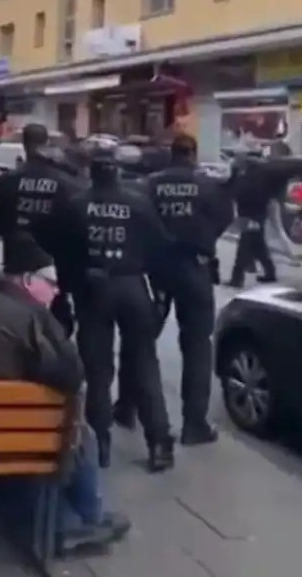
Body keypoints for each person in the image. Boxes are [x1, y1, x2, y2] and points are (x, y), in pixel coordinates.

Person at [0, 240, 130, 554]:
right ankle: (80, 521)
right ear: (27, 280)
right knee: (76, 432)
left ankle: (53, 515)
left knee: (46, 423)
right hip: (4, 431)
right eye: (51, 283)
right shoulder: (30, 316)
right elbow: (71, 375)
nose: (57, 291)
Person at [56, 143, 175, 472]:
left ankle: (100, 446)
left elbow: (64, 256)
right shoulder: (138, 204)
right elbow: (160, 249)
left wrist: (68, 291)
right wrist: (159, 294)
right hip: (133, 287)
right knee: (144, 363)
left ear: (91, 173)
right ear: (118, 172)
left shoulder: (76, 205)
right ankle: (159, 444)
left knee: (97, 370)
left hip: (93, 290)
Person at [146, 135, 235, 445]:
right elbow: (225, 217)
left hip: (157, 268)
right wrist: (204, 239)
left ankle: (128, 406)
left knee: (142, 339)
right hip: (195, 268)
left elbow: (138, 218)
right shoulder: (208, 186)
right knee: (197, 346)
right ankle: (194, 425)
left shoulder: (151, 184)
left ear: (171, 154)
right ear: (193, 155)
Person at [0, 123, 85, 335]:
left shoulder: (6, 182)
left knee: (12, 322)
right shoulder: (68, 183)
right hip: (54, 264)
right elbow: (81, 225)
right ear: (46, 143)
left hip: (17, 261)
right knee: (58, 322)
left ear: (24, 145)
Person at [227, 150, 302, 287]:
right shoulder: (251, 174)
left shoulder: (258, 175)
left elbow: (240, 190)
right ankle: (270, 273)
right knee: (258, 246)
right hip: (252, 214)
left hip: (252, 214)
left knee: (244, 246)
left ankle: (237, 279)